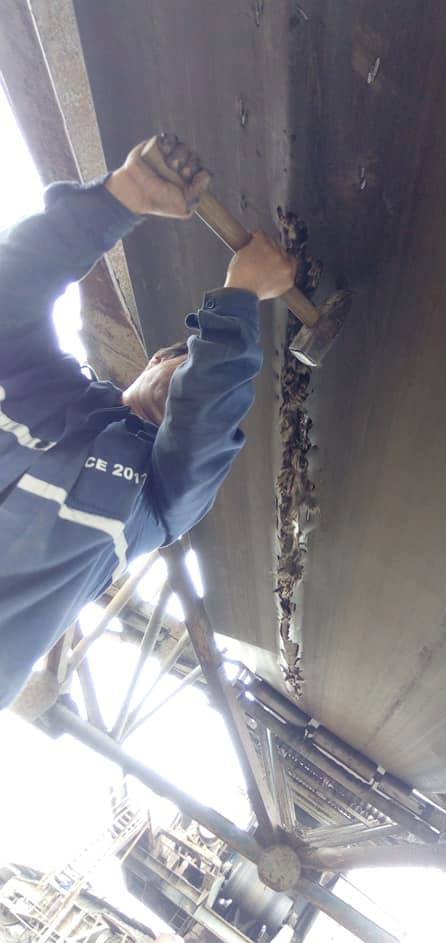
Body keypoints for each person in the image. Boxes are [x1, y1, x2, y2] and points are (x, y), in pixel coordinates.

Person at [0, 138, 296, 709]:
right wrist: (120, 199)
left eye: (195, 369)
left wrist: (242, 296)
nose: (185, 376)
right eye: (182, 359)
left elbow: (205, 421)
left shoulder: (159, 505)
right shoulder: (40, 385)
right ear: (154, 360)